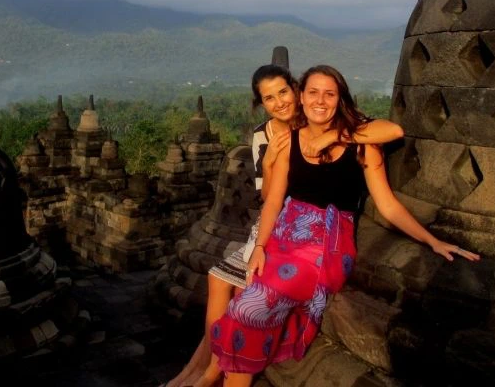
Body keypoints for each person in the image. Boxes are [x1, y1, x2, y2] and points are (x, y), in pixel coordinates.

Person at [209, 65, 480, 387]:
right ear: (301, 96)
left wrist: (432, 240)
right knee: (241, 300)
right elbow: (273, 202)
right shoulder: (289, 141)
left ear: (340, 99)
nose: (320, 101)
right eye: (313, 92)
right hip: (284, 238)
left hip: (325, 245)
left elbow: (388, 199)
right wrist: (260, 248)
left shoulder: (361, 142)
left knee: (249, 310)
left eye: (330, 94)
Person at [166, 64, 404, 387]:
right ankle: (202, 372)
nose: (279, 102)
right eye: (269, 98)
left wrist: (333, 135)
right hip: (277, 226)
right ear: (262, 103)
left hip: (311, 236)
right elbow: (269, 197)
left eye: (283, 92)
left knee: (243, 297)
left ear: (296, 91)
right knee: (220, 281)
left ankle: (208, 373)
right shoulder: (267, 136)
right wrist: (268, 164)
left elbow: (387, 131)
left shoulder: (322, 113)